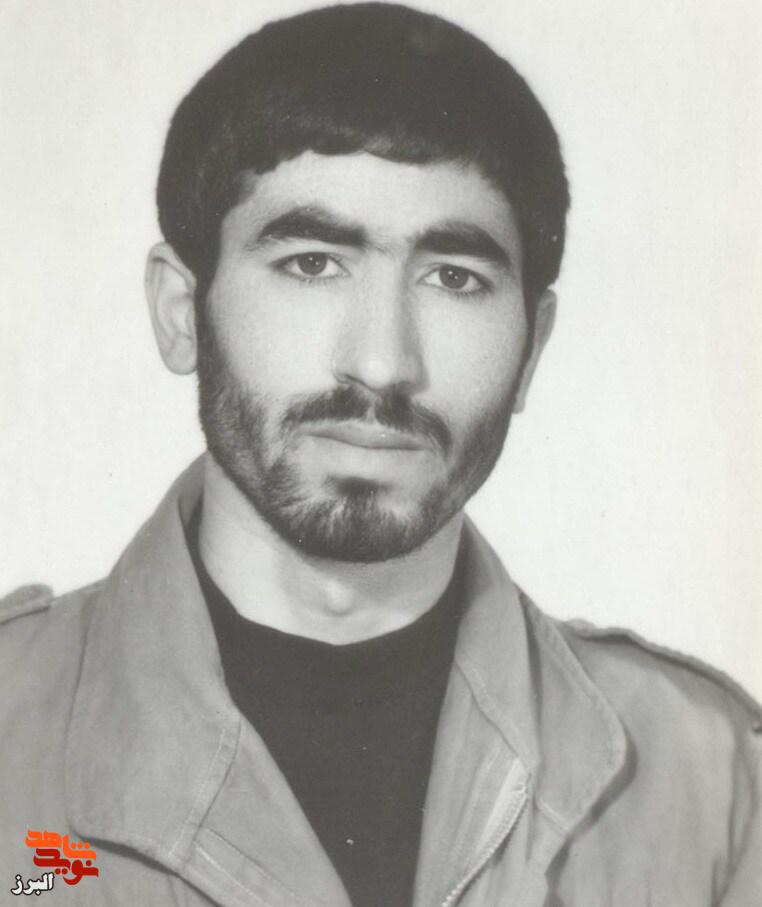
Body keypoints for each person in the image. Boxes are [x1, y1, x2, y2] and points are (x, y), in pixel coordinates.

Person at [1, 3, 759, 904]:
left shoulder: (711, 781)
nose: (383, 362)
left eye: (454, 277)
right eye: (312, 263)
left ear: (532, 348)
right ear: (180, 313)